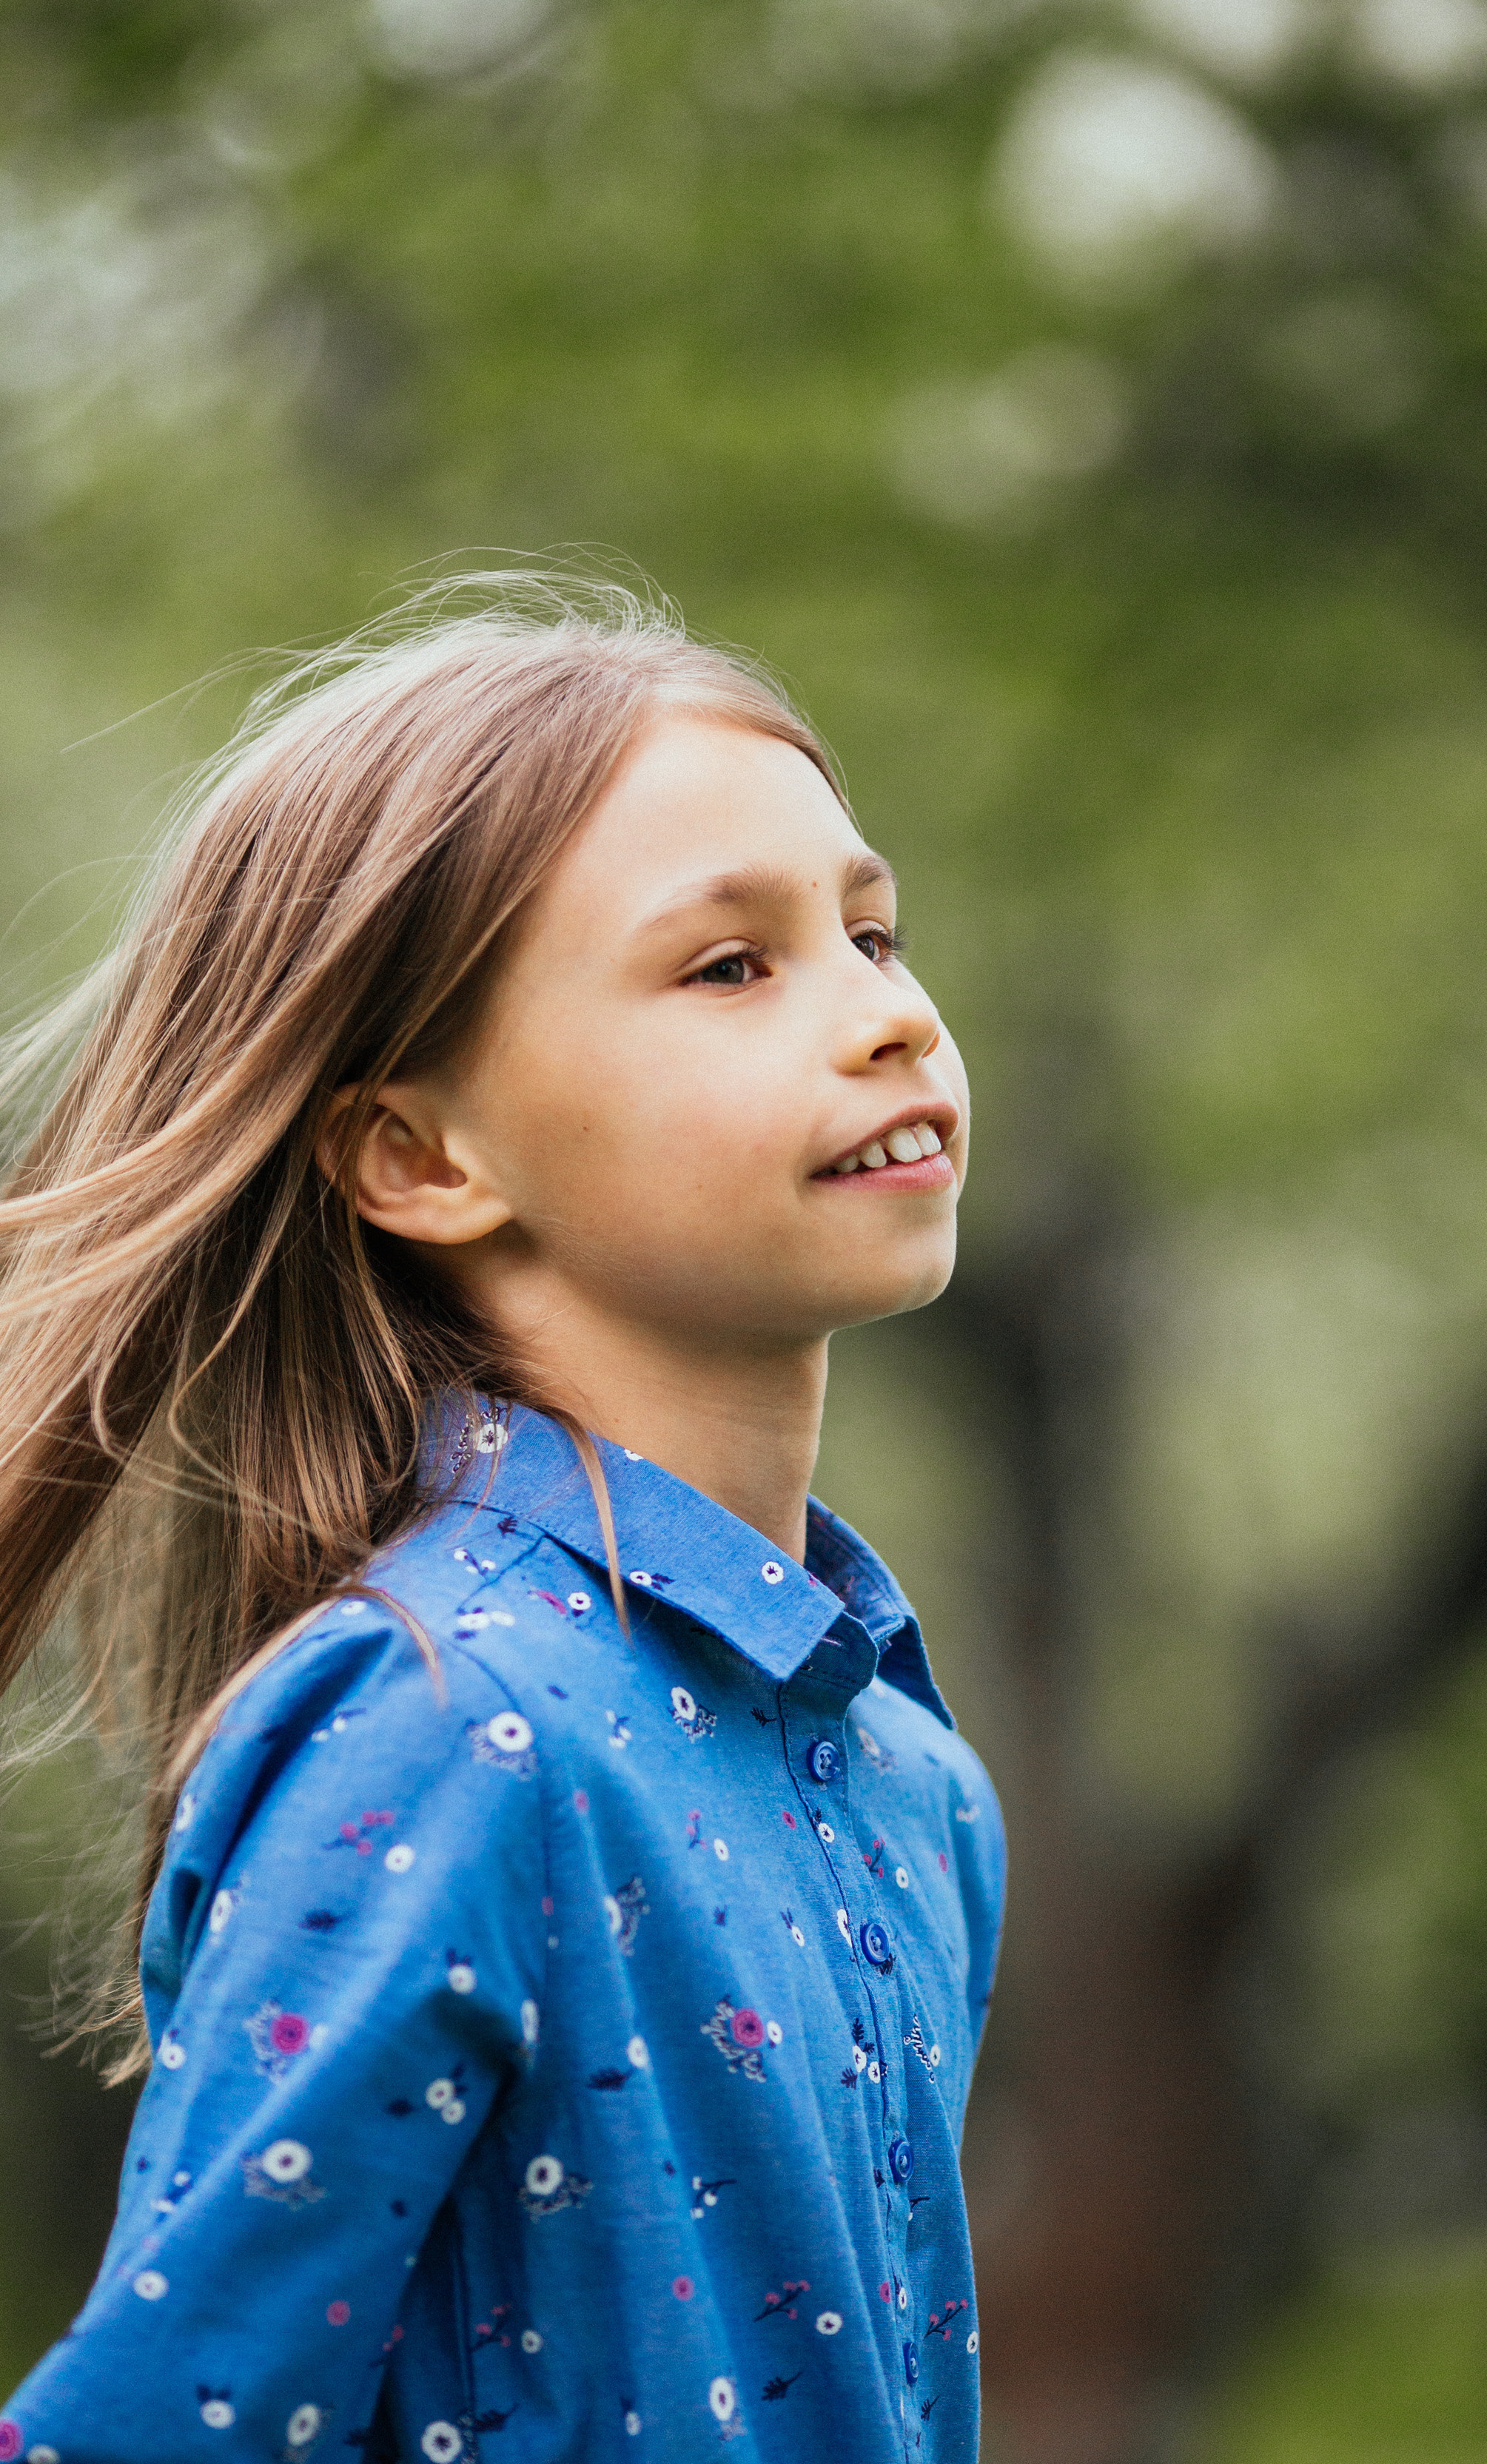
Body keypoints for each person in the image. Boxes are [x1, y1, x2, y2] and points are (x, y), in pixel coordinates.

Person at [0, 577, 1004, 2464]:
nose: (889, 1018)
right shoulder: (451, 1727)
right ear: (421, 1156)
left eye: (873, 932)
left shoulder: (916, 1783)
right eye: (733, 965)